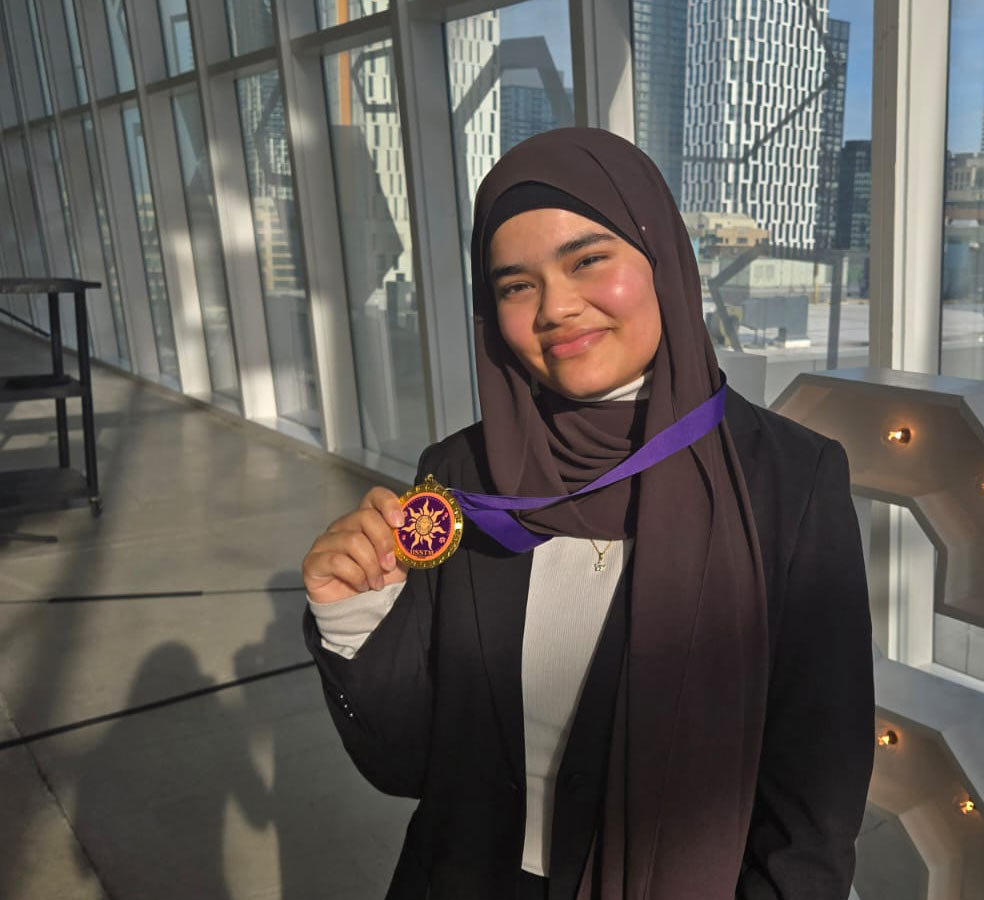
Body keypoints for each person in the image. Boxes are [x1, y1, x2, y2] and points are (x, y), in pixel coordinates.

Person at [300, 127, 874, 900]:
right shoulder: (460, 476)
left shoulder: (789, 482)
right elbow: (407, 766)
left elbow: (812, 804)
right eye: (515, 285)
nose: (556, 309)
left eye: (588, 260)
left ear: (661, 260)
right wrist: (354, 618)